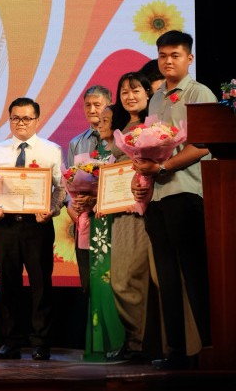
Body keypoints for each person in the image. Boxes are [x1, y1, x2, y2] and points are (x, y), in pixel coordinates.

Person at [131, 30, 213, 370]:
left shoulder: (199, 93)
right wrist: (141, 173)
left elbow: (204, 145)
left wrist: (163, 166)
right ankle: (176, 350)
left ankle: (209, 349)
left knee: (194, 275)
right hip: (159, 196)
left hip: (186, 193)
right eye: (163, 55)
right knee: (165, 276)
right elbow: (150, 145)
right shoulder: (155, 99)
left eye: (175, 55)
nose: (168, 61)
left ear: (189, 58)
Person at [0, 97, 65, 361]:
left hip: (37, 226)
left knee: (40, 284)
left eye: (27, 118)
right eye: (15, 118)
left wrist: (52, 209)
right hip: (6, 225)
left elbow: (61, 188)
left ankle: (41, 342)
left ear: (37, 120)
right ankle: (11, 342)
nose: (21, 123)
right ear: (9, 120)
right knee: (7, 284)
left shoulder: (51, 150)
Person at [107, 72, 155, 362]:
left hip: (144, 210)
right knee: (122, 278)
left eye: (135, 90)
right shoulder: (121, 126)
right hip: (121, 210)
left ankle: (143, 343)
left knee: (136, 277)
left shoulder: (155, 125)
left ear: (148, 93)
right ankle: (135, 340)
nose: (129, 96)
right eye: (124, 92)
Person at [78, 106, 125, 360]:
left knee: (114, 279)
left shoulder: (124, 152)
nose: (100, 123)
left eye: (106, 120)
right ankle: (100, 342)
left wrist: (98, 197)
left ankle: (118, 340)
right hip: (99, 223)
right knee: (98, 280)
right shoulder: (98, 154)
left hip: (118, 221)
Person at [65, 85, 113, 296]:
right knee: (88, 280)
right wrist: (73, 207)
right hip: (84, 220)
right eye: (87, 105)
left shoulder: (117, 139)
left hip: (110, 217)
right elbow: (69, 182)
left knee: (111, 277)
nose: (92, 110)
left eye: (97, 105)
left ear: (109, 105)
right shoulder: (76, 143)